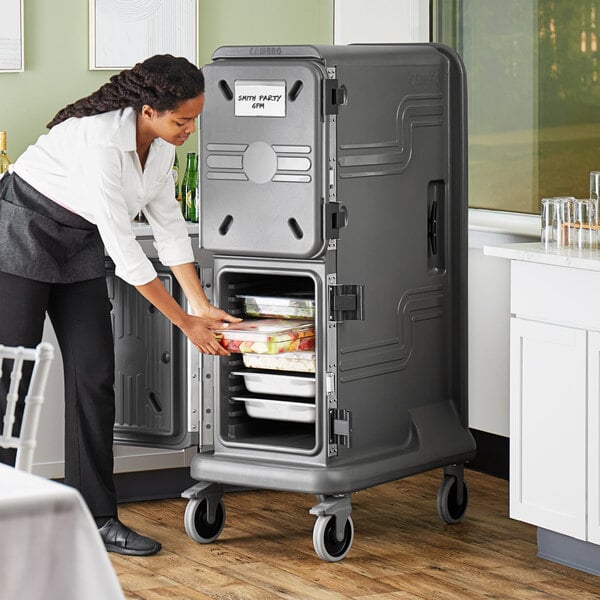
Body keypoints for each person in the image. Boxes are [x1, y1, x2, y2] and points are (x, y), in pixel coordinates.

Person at [0, 54, 240, 556]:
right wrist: (184, 324)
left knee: (95, 377)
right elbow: (125, 249)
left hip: (79, 244)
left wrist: (199, 302)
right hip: (21, 233)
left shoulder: (160, 146)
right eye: (183, 120)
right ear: (148, 109)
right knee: (11, 382)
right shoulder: (99, 141)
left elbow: (168, 223)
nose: (190, 130)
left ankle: (96, 519)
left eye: (195, 119)